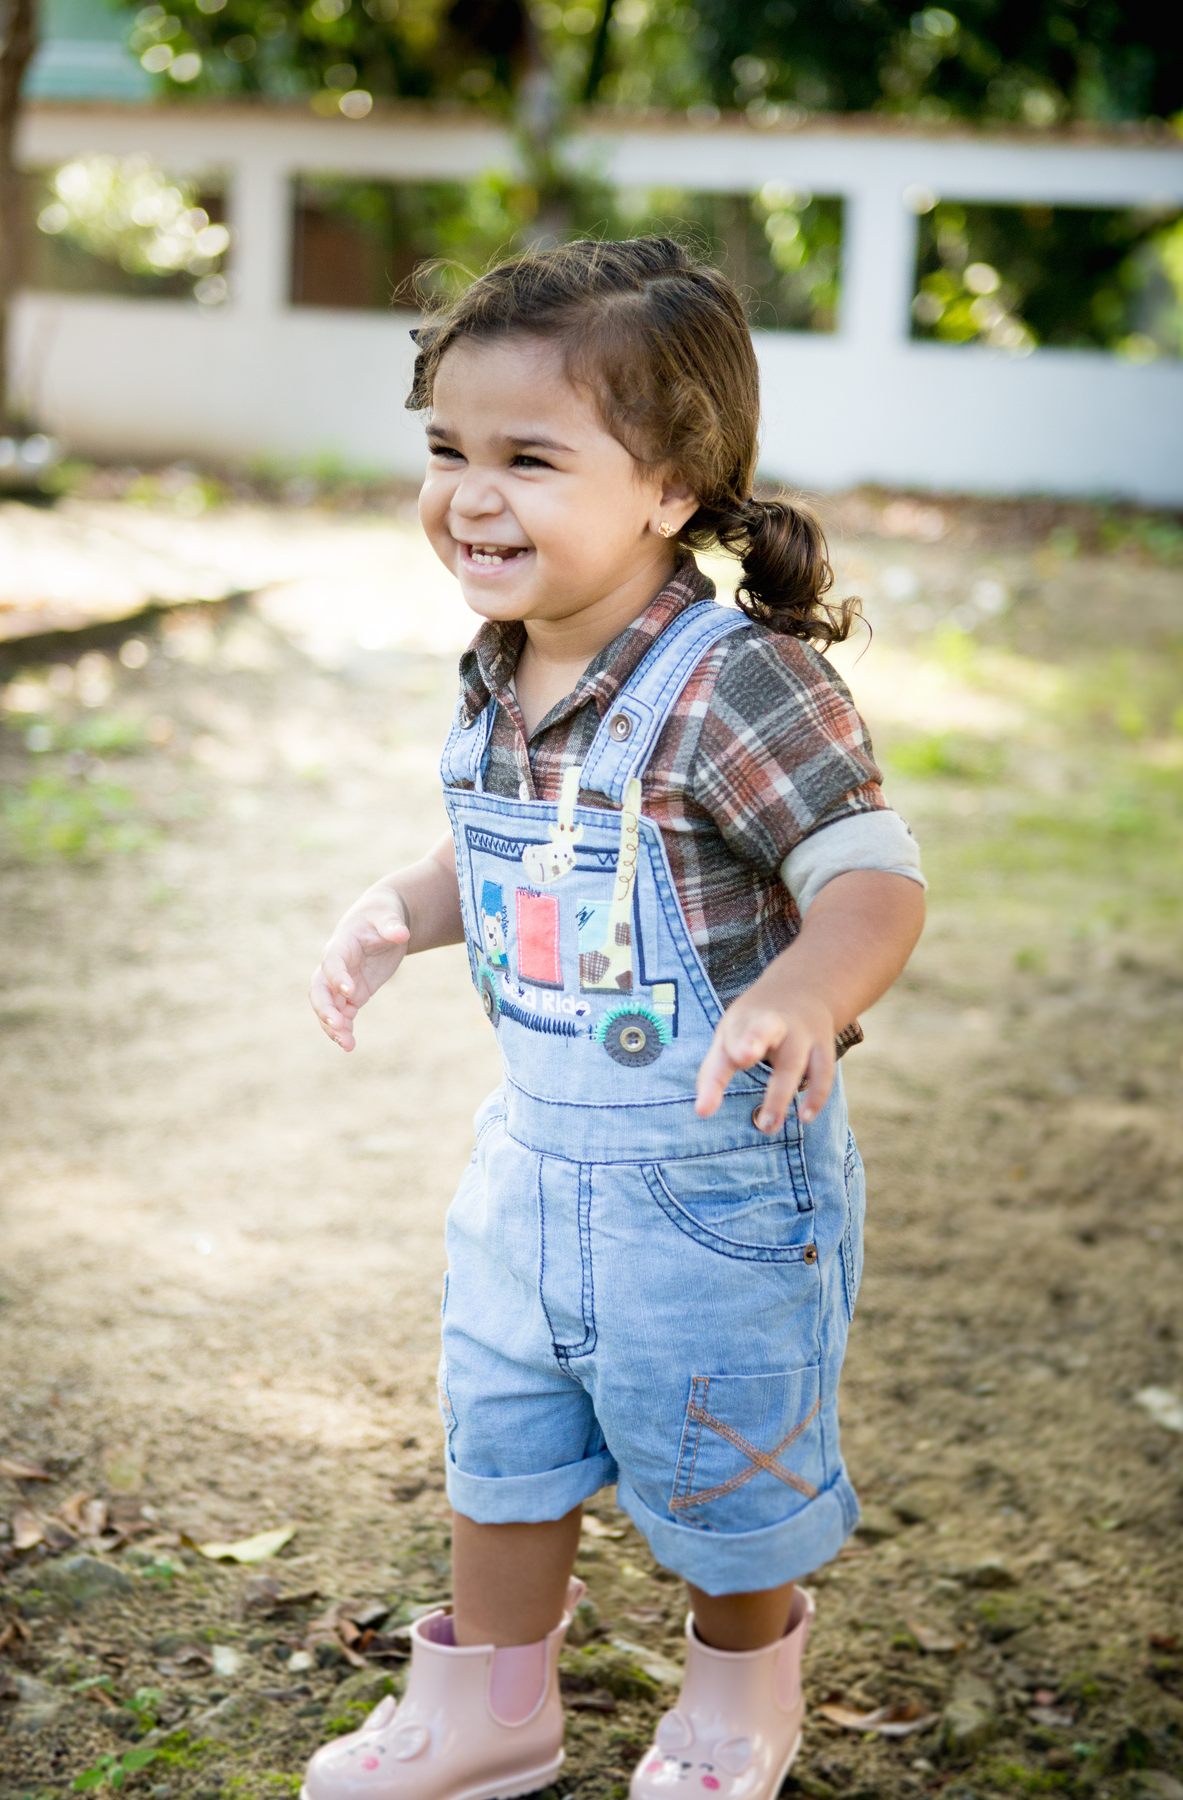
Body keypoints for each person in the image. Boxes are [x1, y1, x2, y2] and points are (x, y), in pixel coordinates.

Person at [304, 237, 926, 1800]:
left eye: (528, 456)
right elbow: (505, 853)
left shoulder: (741, 682)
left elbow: (873, 879)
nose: (469, 494)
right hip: (531, 1161)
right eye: (447, 450)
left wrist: (804, 986)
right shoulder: (501, 667)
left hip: (714, 1181)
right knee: (502, 1435)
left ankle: (735, 1699)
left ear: (669, 485)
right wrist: (401, 907)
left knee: (729, 1460)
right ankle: (490, 1707)